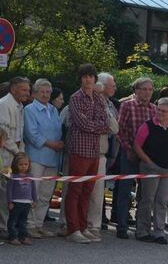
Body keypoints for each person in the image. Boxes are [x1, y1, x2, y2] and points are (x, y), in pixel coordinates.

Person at [64, 64, 111, 244]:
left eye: (91, 76)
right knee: (75, 190)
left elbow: (105, 123)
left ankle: (83, 227)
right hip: (79, 150)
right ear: (81, 79)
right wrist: (97, 127)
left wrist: (96, 126)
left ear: (95, 78)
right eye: (84, 77)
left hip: (94, 151)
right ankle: (73, 229)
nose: (88, 79)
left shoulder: (99, 98)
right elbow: (81, 123)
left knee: (87, 191)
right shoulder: (75, 98)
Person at [133, 97, 168, 245]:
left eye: (164, 111)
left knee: (162, 200)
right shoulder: (147, 126)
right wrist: (148, 162)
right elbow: (137, 145)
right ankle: (142, 230)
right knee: (147, 199)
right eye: (159, 110)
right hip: (150, 168)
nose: (160, 113)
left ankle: (159, 231)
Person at [114, 77, 156, 239]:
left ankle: (142, 228)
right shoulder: (127, 106)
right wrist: (128, 148)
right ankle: (122, 226)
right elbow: (119, 130)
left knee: (145, 194)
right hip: (129, 153)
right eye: (143, 89)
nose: (147, 92)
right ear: (136, 91)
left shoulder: (154, 109)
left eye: (150, 89)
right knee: (124, 191)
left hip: (147, 157)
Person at [23, 78, 63, 238]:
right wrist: (52, 144)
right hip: (36, 157)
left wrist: (59, 144)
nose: (46, 95)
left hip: (53, 158)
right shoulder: (30, 110)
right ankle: (29, 225)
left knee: (46, 194)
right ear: (35, 93)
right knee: (33, 192)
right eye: (42, 92)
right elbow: (32, 134)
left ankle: (39, 224)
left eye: (48, 92)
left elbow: (58, 130)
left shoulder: (54, 110)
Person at [85, 75, 119, 240]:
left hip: (101, 154)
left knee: (97, 195)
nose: (97, 96)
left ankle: (94, 226)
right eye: (95, 92)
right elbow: (84, 125)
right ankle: (70, 224)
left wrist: (104, 109)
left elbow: (114, 128)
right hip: (83, 152)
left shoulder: (109, 105)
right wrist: (100, 127)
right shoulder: (81, 102)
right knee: (77, 190)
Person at [0, 76, 30, 238]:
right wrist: (17, 152)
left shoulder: (20, 106)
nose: (28, 93)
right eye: (24, 89)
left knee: (9, 189)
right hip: (5, 156)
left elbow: (20, 133)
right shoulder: (4, 104)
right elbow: (3, 133)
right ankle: (4, 227)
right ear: (13, 89)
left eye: (28, 89)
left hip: (15, 155)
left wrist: (21, 152)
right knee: (4, 191)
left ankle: (8, 226)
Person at [6, 153, 37, 246]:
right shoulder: (13, 176)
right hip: (16, 202)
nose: (24, 167)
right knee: (13, 220)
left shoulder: (30, 176)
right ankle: (13, 237)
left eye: (26, 164)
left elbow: (33, 189)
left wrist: (34, 200)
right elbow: (9, 190)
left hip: (27, 203)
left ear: (29, 165)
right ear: (15, 165)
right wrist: (9, 202)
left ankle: (23, 236)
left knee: (23, 221)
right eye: (21, 164)